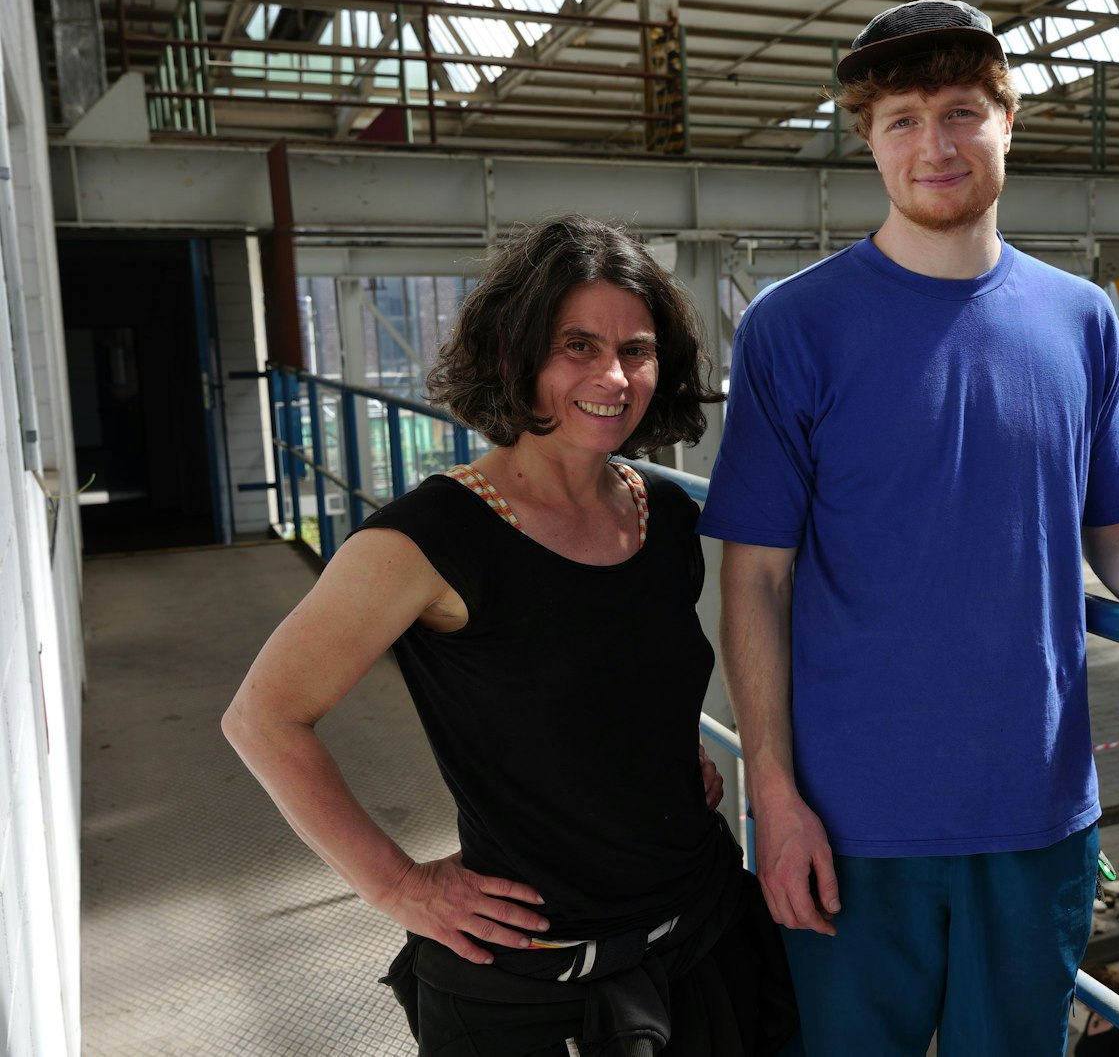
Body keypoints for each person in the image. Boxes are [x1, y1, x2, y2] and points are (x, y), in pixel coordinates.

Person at [698, 0, 1119, 1054]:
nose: (933, 145)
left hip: (1033, 819)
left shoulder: (1078, 319)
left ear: (1007, 123)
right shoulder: (793, 327)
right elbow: (756, 580)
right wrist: (773, 795)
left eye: (961, 112)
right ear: (869, 141)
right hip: (850, 827)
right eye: (901, 119)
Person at [222, 214, 794, 1056]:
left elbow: (620, 666)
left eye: (635, 349)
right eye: (577, 345)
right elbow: (262, 718)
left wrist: (668, 749)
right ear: (512, 357)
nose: (613, 374)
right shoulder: (426, 539)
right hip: (536, 986)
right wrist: (399, 885)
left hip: (703, 941)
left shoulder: (662, 512)